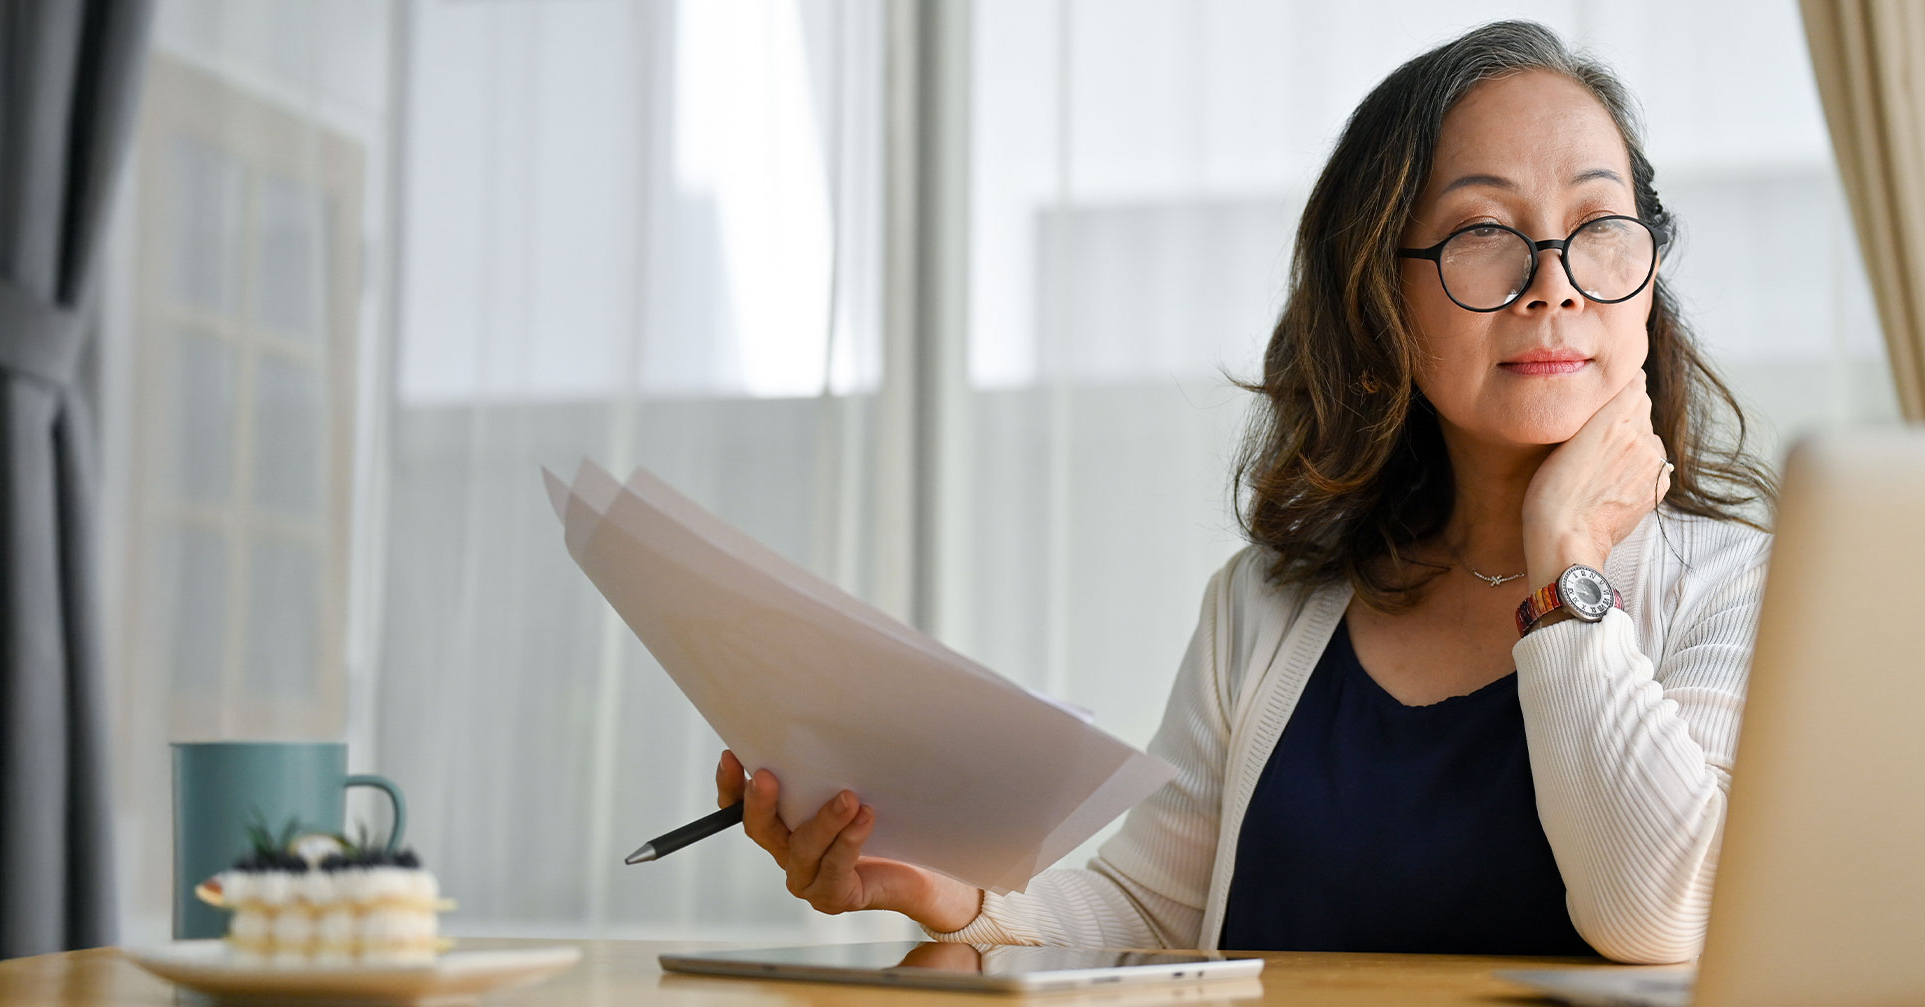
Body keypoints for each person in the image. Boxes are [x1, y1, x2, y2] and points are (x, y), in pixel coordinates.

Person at [712, 20, 1777, 965]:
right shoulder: (1263, 605)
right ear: (1381, 299)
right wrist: (955, 894)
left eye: (1598, 225)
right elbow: (1146, 907)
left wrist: (1566, 564)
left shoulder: (1736, 587)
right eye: (1483, 234)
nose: (1553, 279)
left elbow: (1659, 914)